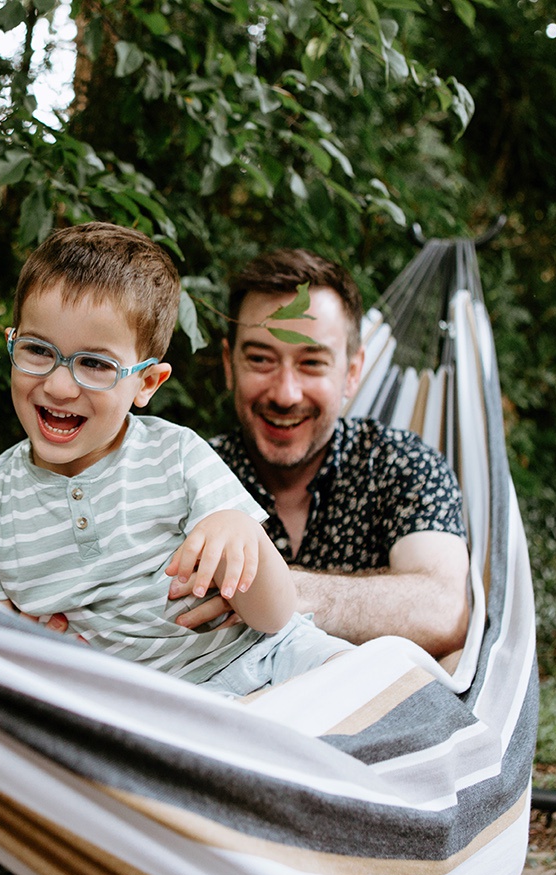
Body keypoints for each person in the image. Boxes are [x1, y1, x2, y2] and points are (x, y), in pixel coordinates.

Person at [0, 223, 350, 696]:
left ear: (148, 383)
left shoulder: (175, 456)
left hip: (265, 656)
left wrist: (243, 538)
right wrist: (10, 651)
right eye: (36, 350)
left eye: (95, 364)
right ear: (12, 343)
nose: (57, 385)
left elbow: (274, 616)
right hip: (147, 711)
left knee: (380, 680)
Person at [170, 248, 471, 660]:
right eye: (260, 359)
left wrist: (274, 592)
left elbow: (444, 611)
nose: (285, 393)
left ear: (351, 372)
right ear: (228, 364)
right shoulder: (183, 477)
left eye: (312, 363)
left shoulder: (403, 464)